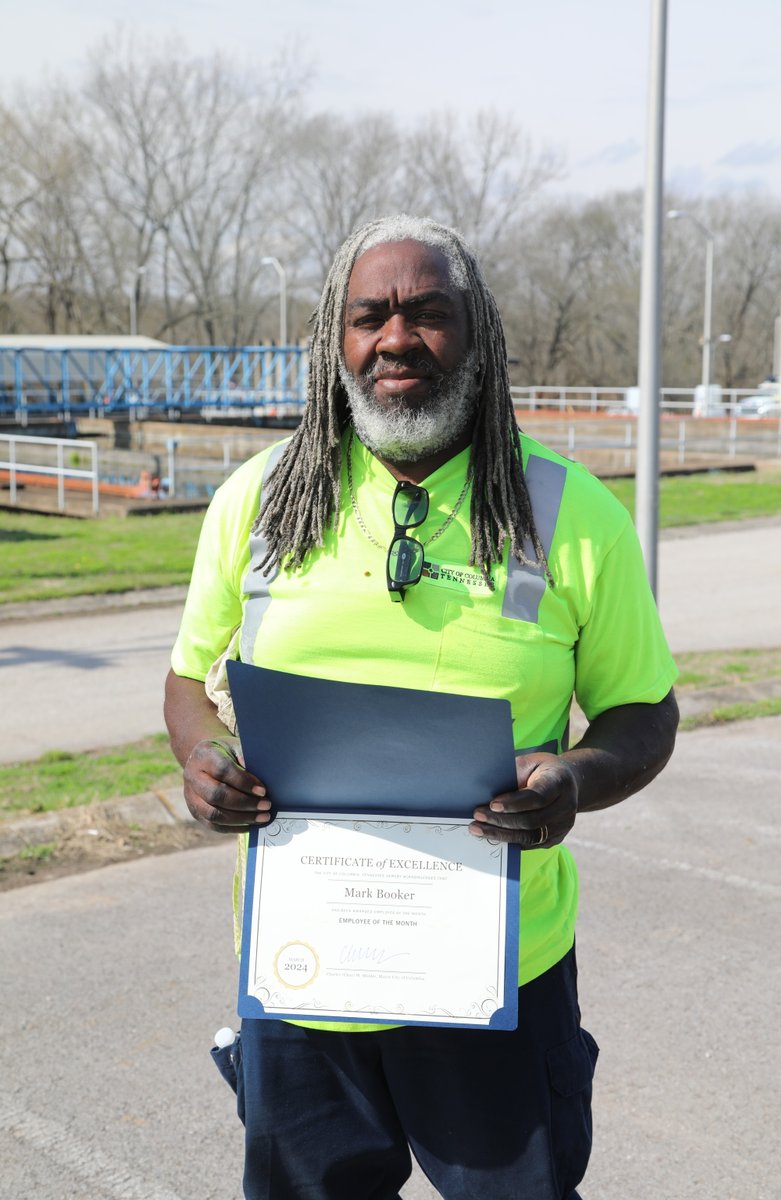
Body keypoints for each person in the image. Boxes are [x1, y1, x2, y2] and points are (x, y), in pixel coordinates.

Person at [164, 214, 679, 1200]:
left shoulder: (570, 513)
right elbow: (189, 681)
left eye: (426, 313)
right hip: (302, 978)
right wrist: (207, 761)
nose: (394, 338)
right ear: (335, 339)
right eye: (368, 317)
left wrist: (576, 778)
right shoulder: (256, 500)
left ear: (475, 335)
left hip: (497, 978)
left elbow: (640, 714)